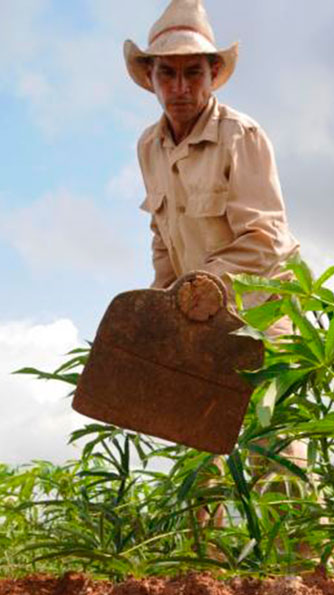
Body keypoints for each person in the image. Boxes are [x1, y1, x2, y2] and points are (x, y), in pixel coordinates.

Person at [124, 0, 313, 542]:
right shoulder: (149, 145)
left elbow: (264, 239)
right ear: (151, 78)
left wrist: (199, 285)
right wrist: (160, 303)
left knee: (272, 444)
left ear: (212, 77)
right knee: (194, 442)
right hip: (193, 312)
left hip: (261, 308)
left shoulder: (241, 135)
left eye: (192, 72)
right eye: (168, 73)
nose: (180, 85)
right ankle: (201, 572)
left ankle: (304, 570)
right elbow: (162, 235)